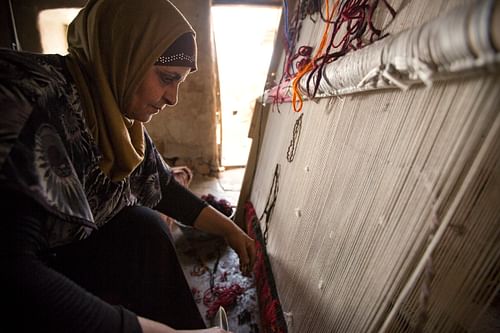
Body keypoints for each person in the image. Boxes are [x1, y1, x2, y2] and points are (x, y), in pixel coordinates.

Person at [0, 0, 256, 332]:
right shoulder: (26, 100)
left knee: (142, 227)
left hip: (55, 252)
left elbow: (160, 187)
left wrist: (229, 229)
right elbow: (10, 266)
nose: (172, 97)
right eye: (166, 78)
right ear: (126, 56)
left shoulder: (111, 115)